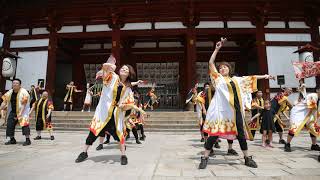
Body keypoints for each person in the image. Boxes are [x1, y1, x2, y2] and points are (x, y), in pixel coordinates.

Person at [198, 37, 275, 169]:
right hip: (222, 113)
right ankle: (205, 157)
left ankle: (246, 157)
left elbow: (251, 78)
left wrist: (266, 76)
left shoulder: (236, 80)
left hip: (236, 112)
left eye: (224, 67)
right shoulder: (218, 79)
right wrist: (217, 49)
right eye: (220, 68)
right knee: (214, 134)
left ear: (229, 68)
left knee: (240, 135)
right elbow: (210, 63)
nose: (222, 69)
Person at [75, 55, 145, 165]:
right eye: (122, 68)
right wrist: (108, 66)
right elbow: (105, 72)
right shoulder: (112, 77)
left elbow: (129, 99)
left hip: (116, 115)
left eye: (126, 69)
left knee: (119, 135)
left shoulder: (128, 88)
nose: (123, 69)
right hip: (103, 111)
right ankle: (84, 152)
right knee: (93, 132)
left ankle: (123, 155)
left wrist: (124, 105)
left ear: (128, 74)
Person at [0, 79, 31, 146]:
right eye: (13, 83)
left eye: (17, 83)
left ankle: (27, 140)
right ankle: (12, 139)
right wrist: (0, 108)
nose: (14, 84)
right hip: (13, 111)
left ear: (20, 85)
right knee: (9, 124)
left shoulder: (24, 92)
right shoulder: (10, 92)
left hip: (23, 112)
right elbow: (4, 102)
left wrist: (20, 114)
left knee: (25, 125)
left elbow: (24, 104)